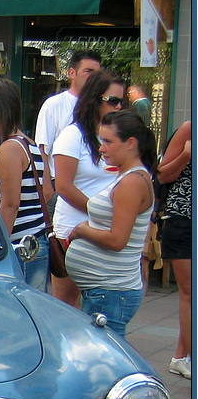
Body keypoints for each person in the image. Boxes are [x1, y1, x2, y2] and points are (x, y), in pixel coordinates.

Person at [64, 110, 156, 336]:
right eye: (100, 141)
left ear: (130, 143)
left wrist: (83, 230)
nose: (101, 148)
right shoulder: (127, 177)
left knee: (100, 363)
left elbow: (117, 240)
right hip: (106, 290)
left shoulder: (131, 182)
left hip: (111, 291)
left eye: (108, 141)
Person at [50, 69, 125, 307]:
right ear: (95, 100)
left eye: (122, 101)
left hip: (105, 231)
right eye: (112, 101)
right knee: (66, 306)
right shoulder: (73, 136)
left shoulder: (115, 137)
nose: (118, 107)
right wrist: (98, 211)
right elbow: (63, 185)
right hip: (73, 230)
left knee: (100, 304)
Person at [0, 79, 49, 291]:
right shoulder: (28, 143)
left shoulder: (10, 149)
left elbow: (10, 205)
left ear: (4, 109)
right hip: (32, 242)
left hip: (19, 248)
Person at [34, 49, 102, 206]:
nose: (93, 77)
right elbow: (42, 149)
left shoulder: (102, 105)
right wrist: (47, 186)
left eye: (97, 73)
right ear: (72, 73)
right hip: (60, 187)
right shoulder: (54, 105)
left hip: (93, 188)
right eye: (88, 71)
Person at [157, 120, 192, 378]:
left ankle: (181, 356)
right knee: (190, 292)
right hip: (184, 218)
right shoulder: (190, 128)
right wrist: (187, 155)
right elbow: (162, 174)